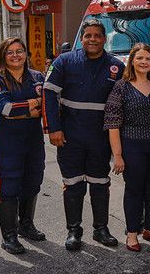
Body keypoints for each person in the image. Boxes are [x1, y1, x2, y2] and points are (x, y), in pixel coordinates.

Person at [43, 18, 124, 251]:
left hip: (100, 138)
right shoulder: (64, 62)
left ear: (104, 38)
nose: (92, 39)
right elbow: (48, 95)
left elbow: (125, 102)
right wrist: (54, 128)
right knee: (73, 184)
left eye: (97, 35)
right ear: (82, 38)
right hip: (70, 136)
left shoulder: (116, 66)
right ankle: (73, 230)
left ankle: (101, 229)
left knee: (100, 183)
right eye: (88, 35)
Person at [105, 43, 150, 252]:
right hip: (132, 146)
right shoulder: (122, 87)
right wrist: (117, 155)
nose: (144, 62)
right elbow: (112, 123)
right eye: (140, 58)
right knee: (135, 190)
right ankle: (132, 232)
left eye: (148, 59)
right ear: (132, 61)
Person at [0, 38, 46, 254]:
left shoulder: (37, 77)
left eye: (20, 51)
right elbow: (6, 108)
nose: (15, 55)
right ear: (3, 55)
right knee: (9, 184)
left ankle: (26, 225)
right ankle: (8, 235)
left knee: (34, 180)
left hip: (33, 137)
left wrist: (26, 108)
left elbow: (48, 103)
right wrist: (33, 105)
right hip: (6, 138)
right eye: (10, 52)